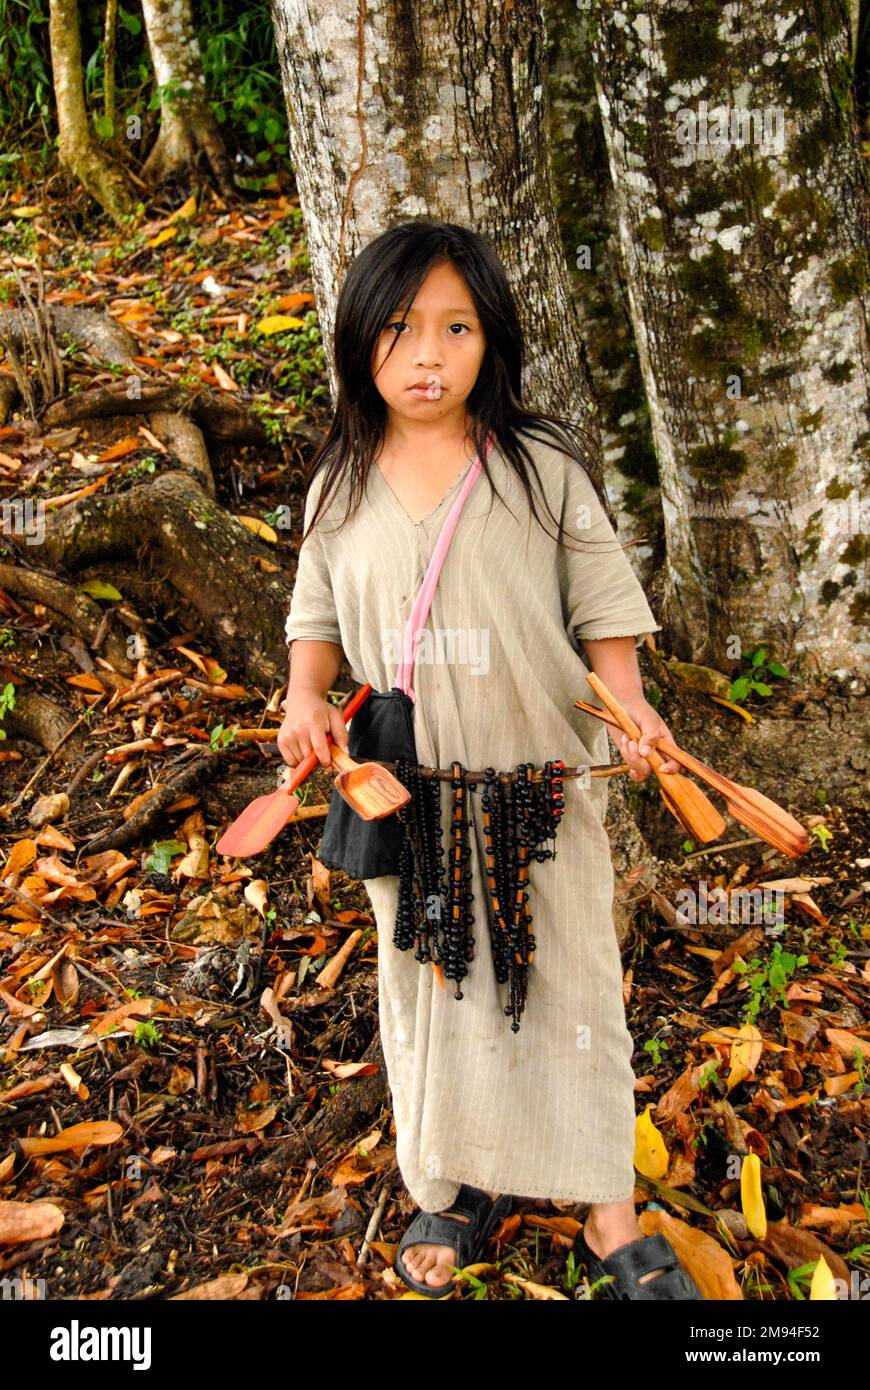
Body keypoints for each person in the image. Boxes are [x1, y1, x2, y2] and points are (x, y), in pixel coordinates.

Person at [278, 219, 702, 1301]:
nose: (429, 355)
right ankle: (451, 1182)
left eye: (456, 328)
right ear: (358, 341)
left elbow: (604, 602)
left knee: (570, 983)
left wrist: (632, 711)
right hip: (411, 800)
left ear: (492, 340)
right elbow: (314, 612)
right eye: (401, 328)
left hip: (537, 793)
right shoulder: (340, 480)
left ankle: (608, 1208)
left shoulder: (536, 464)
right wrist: (303, 697)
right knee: (429, 990)